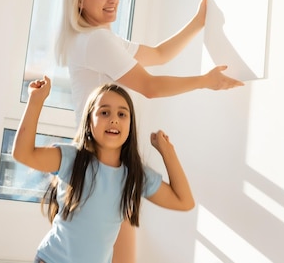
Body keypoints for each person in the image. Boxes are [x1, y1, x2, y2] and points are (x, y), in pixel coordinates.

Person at [54, 0, 244, 262]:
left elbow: (158, 54)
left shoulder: (96, 39)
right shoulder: (97, 41)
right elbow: (150, 86)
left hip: (100, 160)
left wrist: (198, 22)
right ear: (80, 0)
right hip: (101, 161)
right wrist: (205, 81)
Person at [12, 77, 194, 263]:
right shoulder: (71, 158)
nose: (114, 119)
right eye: (104, 112)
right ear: (89, 121)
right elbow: (22, 154)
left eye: (122, 114)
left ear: (130, 126)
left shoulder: (135, 175)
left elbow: (184, 201)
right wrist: (36, 100)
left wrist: (168, 152)